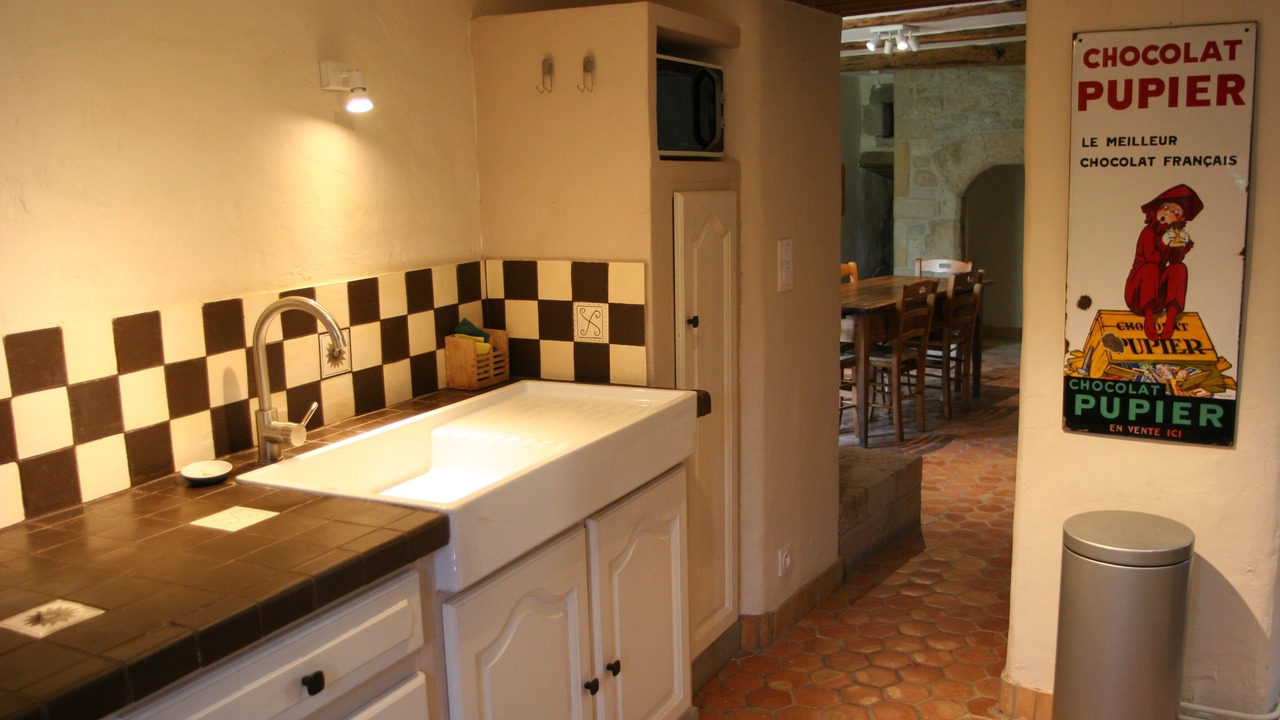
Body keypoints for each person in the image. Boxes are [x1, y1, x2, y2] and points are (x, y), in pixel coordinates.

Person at [1124, 184, 1203, 341]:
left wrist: (1179, 248)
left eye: (1175, 211)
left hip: (1158, 298)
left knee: (1179, 269)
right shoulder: (1149, 232)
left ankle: (1171, 316)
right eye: (1165, 207)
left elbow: (1175, 265)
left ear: (1180, 218)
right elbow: (1151, 260)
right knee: (1151, 268)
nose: (1167, 212)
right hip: (1138, 295)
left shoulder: (1173, 234)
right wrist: (1166, 245)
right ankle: (1148, 319)